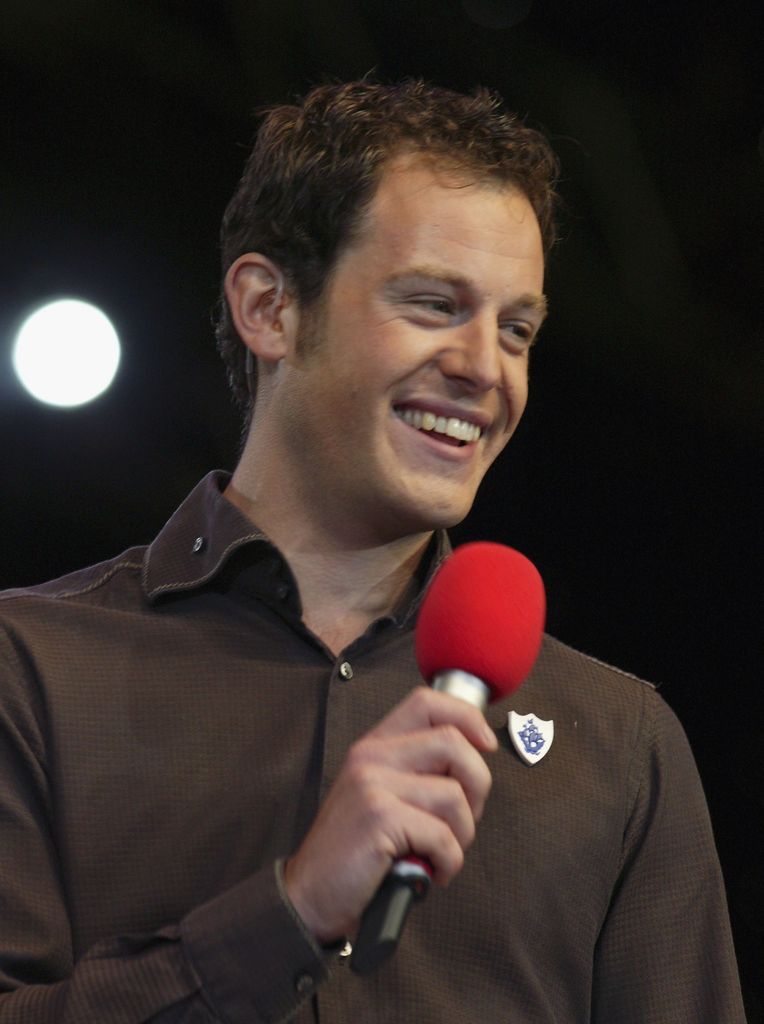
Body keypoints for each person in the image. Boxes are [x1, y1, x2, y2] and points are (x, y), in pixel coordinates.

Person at [0, 80, 745, 1023]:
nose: (486, 368)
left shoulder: (618, 745)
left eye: (517, 328)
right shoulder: (30, 674)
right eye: (435, 304)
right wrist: (292, 910)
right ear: (270, 308)